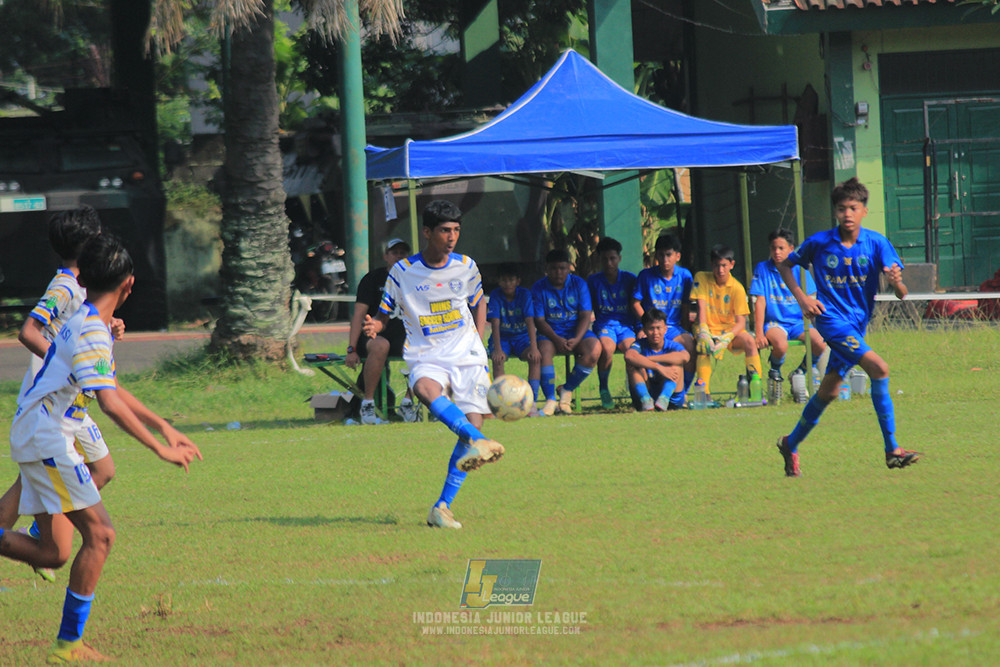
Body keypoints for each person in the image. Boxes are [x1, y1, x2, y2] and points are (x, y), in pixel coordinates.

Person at [0, 234, 202, 664]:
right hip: (48, 437)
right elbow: (108, 403)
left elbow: (110, 388)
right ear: (129, 284)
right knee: (101, 535)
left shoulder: (87, 319)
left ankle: (67, 644)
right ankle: (68, 645)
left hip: (42, 433)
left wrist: (163, 425)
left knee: (54, 552)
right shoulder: (92, 328)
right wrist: (158, 449)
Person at [0, 206, 124, 584]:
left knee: (102, 470)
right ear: (89, 242)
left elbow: (78, 329)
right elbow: (29, 331)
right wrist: (66, 365)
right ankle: (36, 537)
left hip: (70, 405)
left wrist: (109, 324)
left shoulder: (83, 287)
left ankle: (39, 533)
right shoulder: (65, 286)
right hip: (51, 403)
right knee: (35, 479)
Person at [363, 200, 504, 530]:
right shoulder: (402, 272)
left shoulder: (466, 266)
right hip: (426, 353)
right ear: (427, 232)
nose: (452, 236)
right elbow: (384, 314)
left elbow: (477, 300)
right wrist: (375, 327)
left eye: (456, 230)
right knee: (425, 389)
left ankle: (442, 507)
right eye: (444, 230)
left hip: (467, 353)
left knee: (474, 424)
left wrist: (480, 341)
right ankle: (474, 438)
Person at [775, 177, 919, 477]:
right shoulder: (820, 242)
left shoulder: (876, 243)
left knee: (828, 391)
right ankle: (892, 450)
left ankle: (790, 443)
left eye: (853, 208)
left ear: (864, 210)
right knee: (879, 368)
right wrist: (802, 299)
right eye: (841, 209)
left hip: (857, 325)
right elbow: (785, 265)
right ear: (836, 212)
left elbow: (902, 293)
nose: (847, 214)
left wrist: (897, 283)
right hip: (831, 321)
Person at [344, 237, 417, 425]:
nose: (399, 256)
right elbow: (358, 315)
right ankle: (367, 403)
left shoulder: (414, 279)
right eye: (395, 253)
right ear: (386, 256)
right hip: (374, 336)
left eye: (403, 253)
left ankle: (408, 402)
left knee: (422, 348)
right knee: (381, 345)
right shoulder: (372, 279)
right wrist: (351, 349)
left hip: (403, 336)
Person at [749, 228, 827, 383]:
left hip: (798, 324)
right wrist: (759, 333)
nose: (776, 252)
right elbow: (760, 302)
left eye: (781, 248)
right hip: (775, 324)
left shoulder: (800, 269)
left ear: (791, 249)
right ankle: (775, 371)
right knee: (781, 344)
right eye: (773, 248)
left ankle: (800, 372)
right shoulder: (763, 269)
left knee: (820, 343)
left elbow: (811, 299)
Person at [531, 249, 600, 416]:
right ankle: (550, 400)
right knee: (544, 352)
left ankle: (566, 389)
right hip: (551, 333)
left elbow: (585, 315)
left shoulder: (579, 284)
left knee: (595, 350)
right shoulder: (539, 287)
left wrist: (576, 339)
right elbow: (539, 321)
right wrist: (556, 339)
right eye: (554, 268)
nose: (558, 272)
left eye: (562, 268)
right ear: (546, 269)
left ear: (569, 268)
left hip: (575, 331)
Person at [691, 244, 763, 397]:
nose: (720, 270)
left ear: (732, 264)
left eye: (724, 265)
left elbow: (741, 323)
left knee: (750, 341)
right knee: (704, 347)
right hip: (707, 329)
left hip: (729, 332)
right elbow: (701, 309)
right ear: (711, 265)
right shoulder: (702, 278)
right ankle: (704, 393)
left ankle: (755, 388)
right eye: (717, 266)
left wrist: (727, 338)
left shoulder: (737, 288)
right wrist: (704, 333)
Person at [632, 233, 696, 404]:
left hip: (673, 327)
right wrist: (645, 325)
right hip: (650, 326)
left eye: (669, 255)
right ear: (656, 256)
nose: (665, 259)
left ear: (677, 256)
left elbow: (684, 306)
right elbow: (635, 303)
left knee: (689, 343)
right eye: (661, 255)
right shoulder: (645, 276)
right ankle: (645, 396)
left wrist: (686, 328)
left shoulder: (685, 276)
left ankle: (684, 391)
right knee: (637, 346)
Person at [587, 237, 638, 410]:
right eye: (604, 259)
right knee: (607, 348)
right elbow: (588, 308)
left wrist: (639, 329)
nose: (608, 263)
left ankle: (636, 393)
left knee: (631, 351)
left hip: (626, 326)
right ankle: (603, 388)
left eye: (612, 258)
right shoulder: (593, 281)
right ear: (599, 259)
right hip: (604, 325)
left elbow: (636, 305)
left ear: (619, 258)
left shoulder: (630, 279)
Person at [487, 262, 541, 398]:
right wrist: (497, 349)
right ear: (499, 281)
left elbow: (530, 321)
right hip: (502, 338)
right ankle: (502, 399)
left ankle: (532, 400)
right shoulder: (495, 295)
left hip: (522, 338)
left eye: (511, 280)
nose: (507, 284)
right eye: (504, 280)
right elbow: (495, 322)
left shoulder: (524, 294)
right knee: (498, 360)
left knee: (534, 358)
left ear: (518, 281)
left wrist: (534, 348)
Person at [624, 309, 690, 411]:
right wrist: (658, 367)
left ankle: (664, 398)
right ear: (644, 330)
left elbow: (685, 357)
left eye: (658, 328)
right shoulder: (639, 345)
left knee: (676, 363)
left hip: (672, 399)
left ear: (665, 329)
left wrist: (648, 360)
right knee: (632, 364)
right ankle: (645, 399)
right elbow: (629, 356)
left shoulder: (672, 345)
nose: (655, 333)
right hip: (646, 397)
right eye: (651, 328)